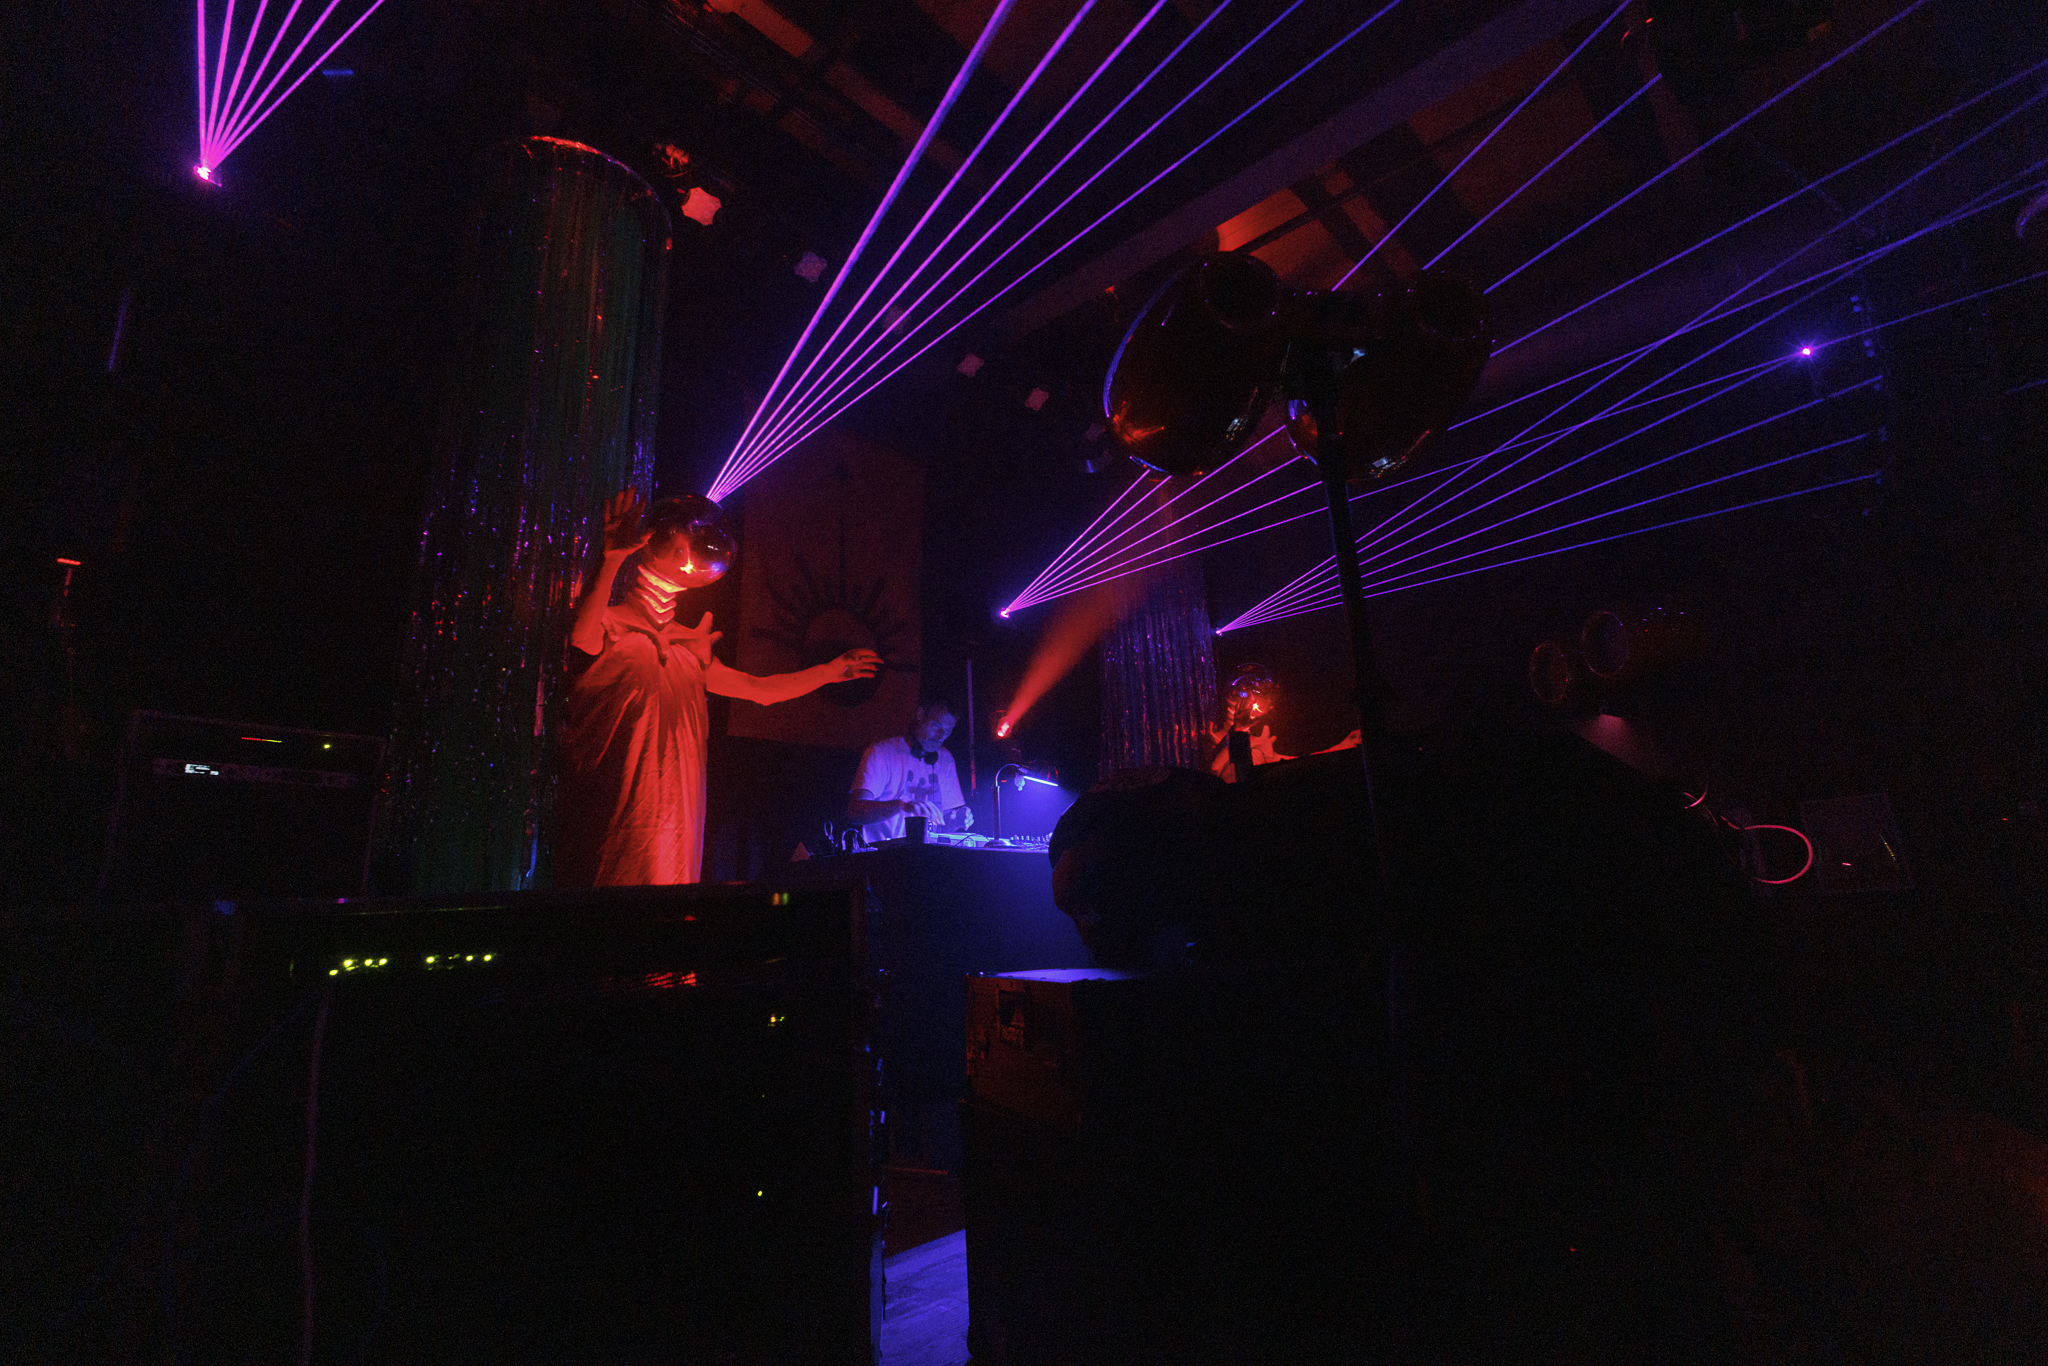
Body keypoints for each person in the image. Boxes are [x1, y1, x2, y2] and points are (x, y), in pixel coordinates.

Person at [557, 489, 880, 886]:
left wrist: (828, 672)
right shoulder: (612, 624)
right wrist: (612, 559)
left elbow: (759, 690)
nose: (686, 557)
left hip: (674, 819)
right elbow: (582, 638)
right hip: (616, 806)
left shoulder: (690, 647)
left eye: (690, 549)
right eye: (677, 547)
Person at [848, 699, 974, 843]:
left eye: (947, 731)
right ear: (920, 714)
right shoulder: (881, 752)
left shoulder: (946, 759)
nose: (940, 736)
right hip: (884, 852)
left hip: (927, 852)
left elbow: (944, 824)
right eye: (936, 725)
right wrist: (902, 806)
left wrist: (957, 821)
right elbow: (855, 811)